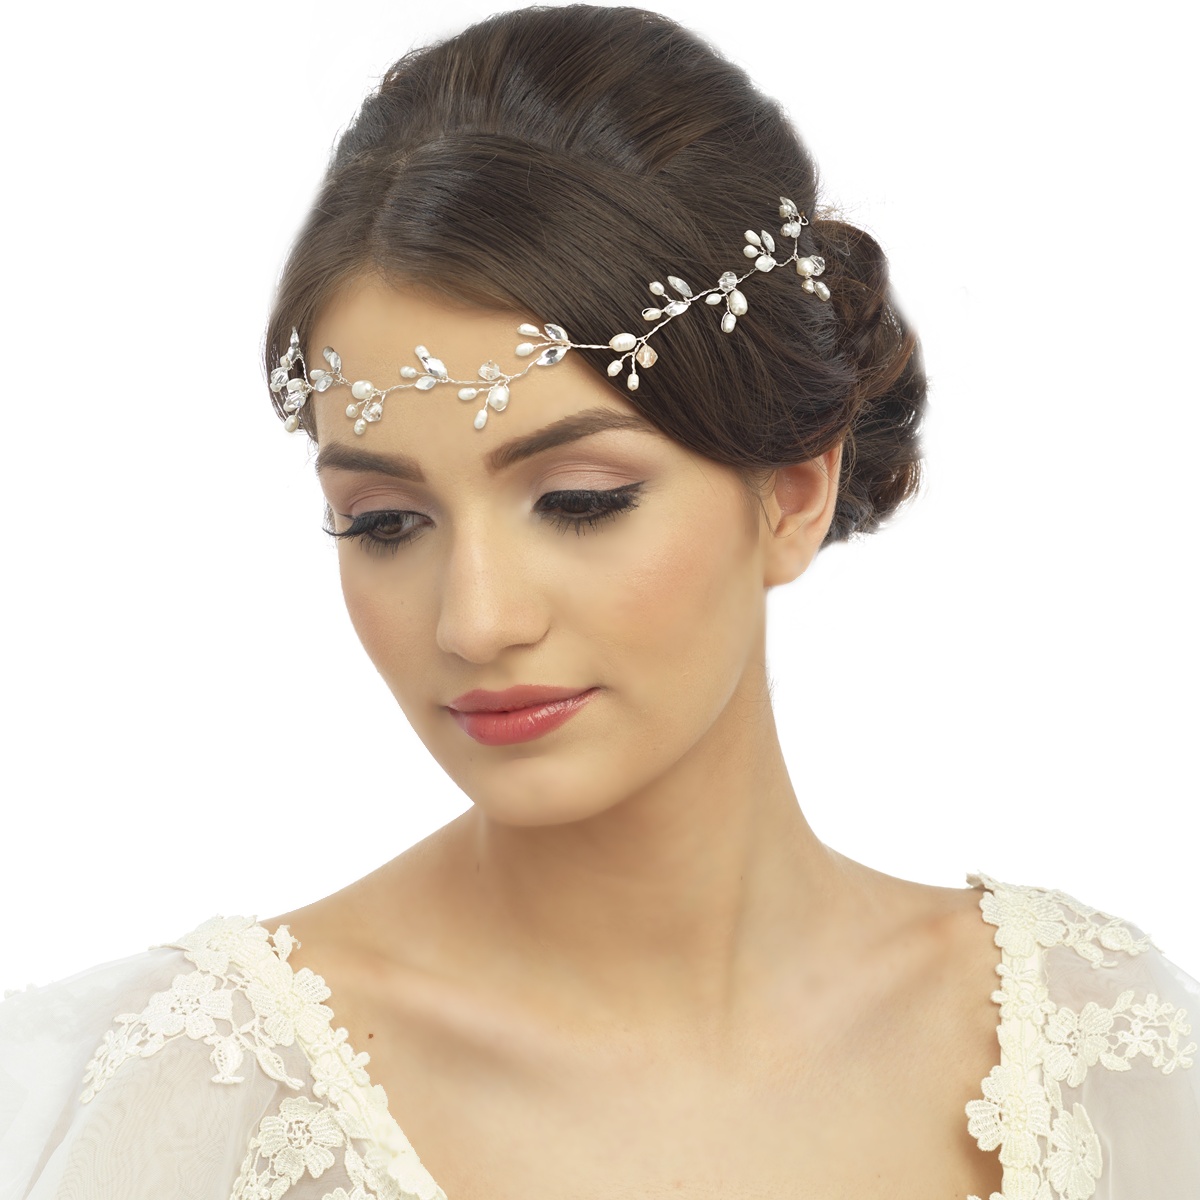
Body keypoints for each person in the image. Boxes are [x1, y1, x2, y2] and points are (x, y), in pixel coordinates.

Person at [2, 5, 1196, 1198]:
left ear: (793, 492)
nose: (475, 622)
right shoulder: (200, 1092)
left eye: (579, 501)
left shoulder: (1094, 1052)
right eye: (386, 523)